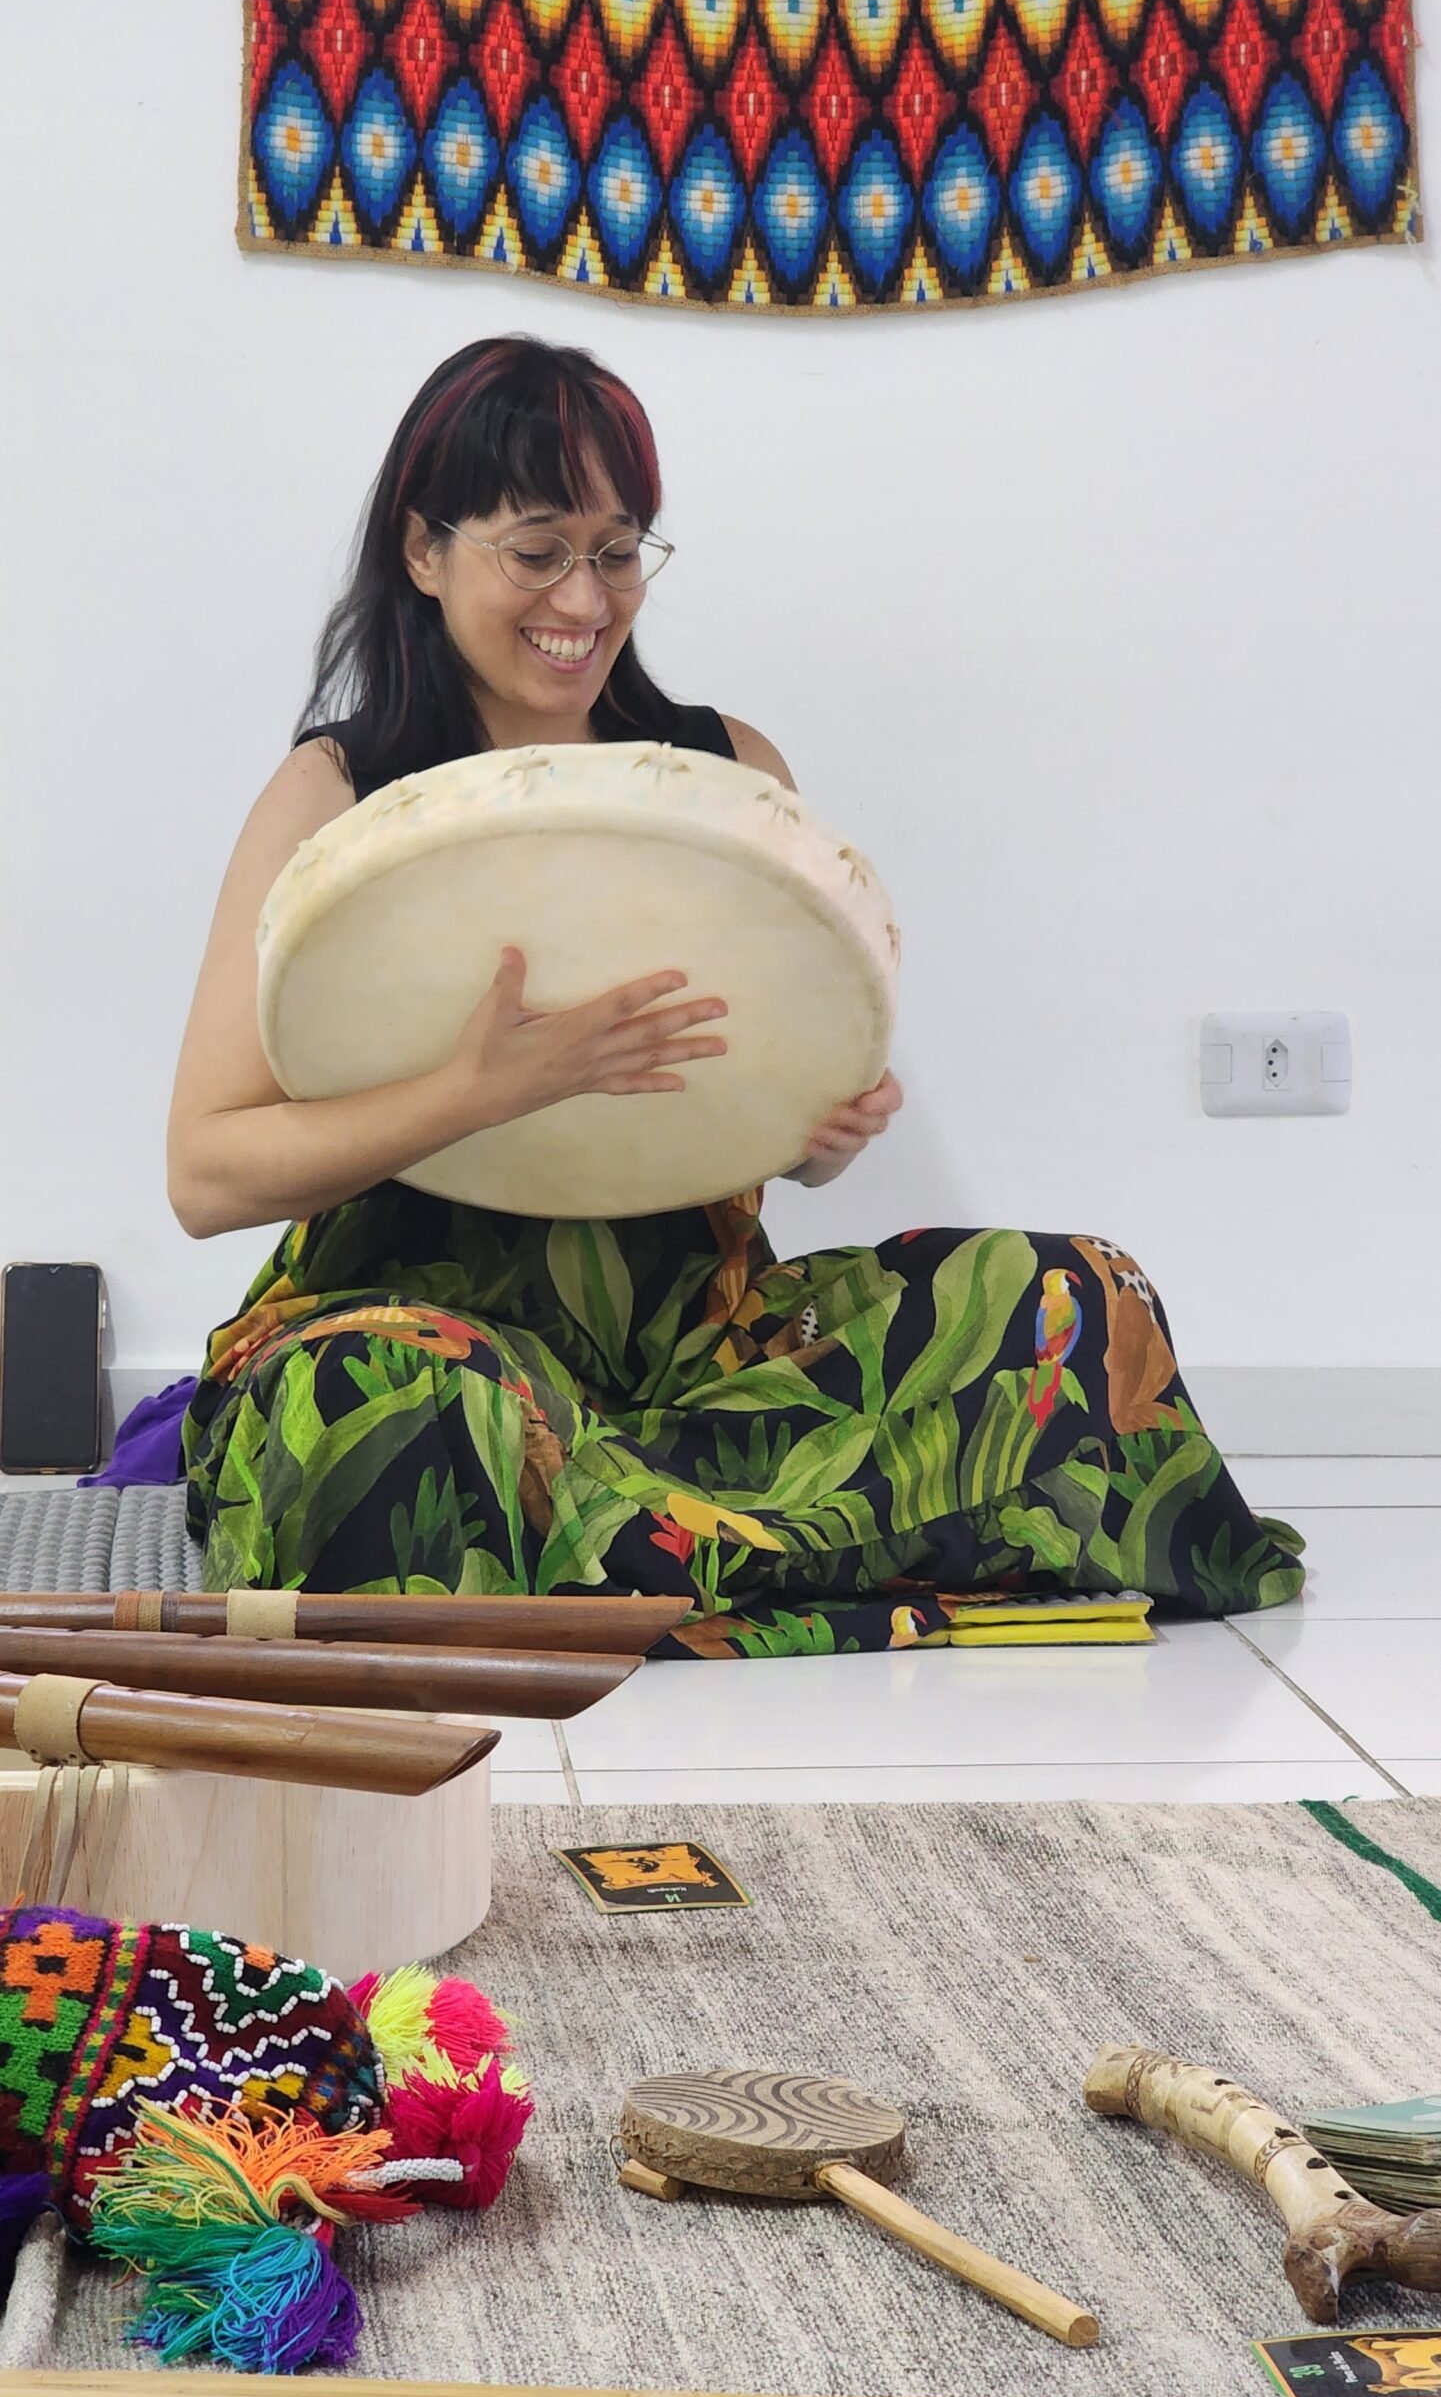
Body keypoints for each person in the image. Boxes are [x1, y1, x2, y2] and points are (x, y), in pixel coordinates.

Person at [168, 335, 1304, 1655]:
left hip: (703, 1361)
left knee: (1072, 1299)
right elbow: (205, 1175)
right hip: (427, 1336)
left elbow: (770, 1130)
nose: (583, 599)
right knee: (382, 1403)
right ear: (425, 550)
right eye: (536, 551)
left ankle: (609, 1538)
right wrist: (481, 1091)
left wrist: (818, 1132)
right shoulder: (335, 791)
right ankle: (750, 1539)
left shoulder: (727, 771)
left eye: (616, 551)